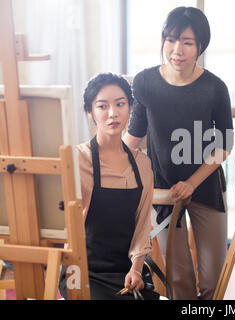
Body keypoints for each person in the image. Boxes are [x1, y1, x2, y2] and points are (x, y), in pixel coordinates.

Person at [123, 7, 233, 300]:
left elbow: (224, 145)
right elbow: (133, 138)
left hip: (206, 187)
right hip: (163, 192)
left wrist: (192, 183)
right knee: (179, 281)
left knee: (212, 281)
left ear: (200, 47)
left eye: (187, 42)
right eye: (171, 40)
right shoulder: (145, 83)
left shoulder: (215, 88)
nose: (177, 49)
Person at [59, 72, 158, 300]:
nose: (113, 113)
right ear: (90, 112)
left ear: (130, 108)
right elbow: (66, 226)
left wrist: (136, 268)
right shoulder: (77, 159)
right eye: (102, 106)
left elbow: (143, 226)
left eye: (120, 104)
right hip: (81, 270)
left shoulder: (142, 164)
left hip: (127, 270)